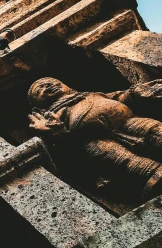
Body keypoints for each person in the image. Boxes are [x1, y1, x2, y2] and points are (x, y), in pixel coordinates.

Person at [28, 77, 162, 199]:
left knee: (154, 130)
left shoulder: (90, 95)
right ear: (38, 107)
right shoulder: (54, 117)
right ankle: (151, 171)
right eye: (40, 88)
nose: (49, 85)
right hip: (95, 141)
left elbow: (118, 97)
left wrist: (135, 93)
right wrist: (57, 133)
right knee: (109, 153)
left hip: (128, 120)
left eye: (52, 82)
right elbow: (66, 155)